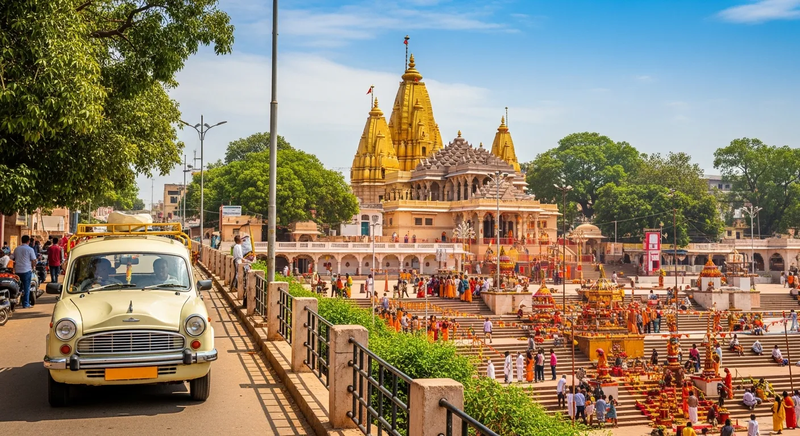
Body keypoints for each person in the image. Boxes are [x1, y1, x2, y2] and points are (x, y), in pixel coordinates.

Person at [11, 235, 37, 308]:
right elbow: (33, 260)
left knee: (18, 287)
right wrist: (33, 267)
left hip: (17, 271)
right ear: (28, 241)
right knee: (26, 288)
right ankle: (25, 304)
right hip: (26, 270)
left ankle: (16, 302)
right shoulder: (30, 249)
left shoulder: (17, 249)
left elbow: (12, 258)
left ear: (21, 240)